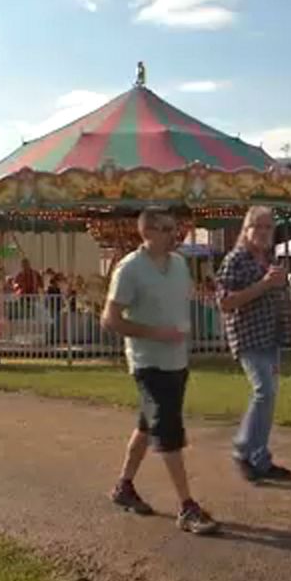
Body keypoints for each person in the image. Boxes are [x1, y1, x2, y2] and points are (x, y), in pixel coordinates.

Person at [100, 209, 218, 535]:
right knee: (168, 429)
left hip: (177, 361)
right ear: (147, 232)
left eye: (175, 228)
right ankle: (187, 507)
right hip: (147, 362)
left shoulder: (179, 264)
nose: (174, 234)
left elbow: (185, 296)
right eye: (167, 229)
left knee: (147, 425)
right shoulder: (130, 269)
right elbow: (109, 319)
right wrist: (155, 333)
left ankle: (124, 486)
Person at [216, 206, 291, 483]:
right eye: (260, 226)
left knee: (268, 399)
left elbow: (281, 296)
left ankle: (260, 458)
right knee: (263, 392)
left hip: (271, 336)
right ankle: (243, 450)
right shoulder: (236, 261)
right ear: (247, 230)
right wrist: (263, 285)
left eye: (270, 227)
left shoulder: (269, 261)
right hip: (249, 336)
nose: (266, 232)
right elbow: (225, 301)